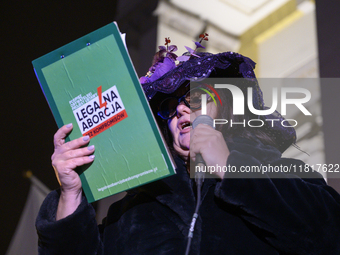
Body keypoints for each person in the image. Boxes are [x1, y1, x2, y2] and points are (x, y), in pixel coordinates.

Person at [36, 37, 340, 255]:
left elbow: (330, 235)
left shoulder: (284, 174)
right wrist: (71, 193)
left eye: (194, 99)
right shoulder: (130, 212)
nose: (181, 110)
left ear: (226, 110)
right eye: (169, 106)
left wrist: (231, 169)